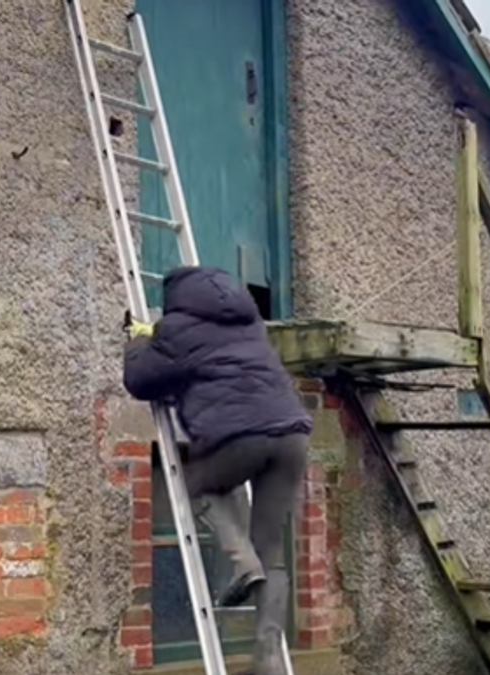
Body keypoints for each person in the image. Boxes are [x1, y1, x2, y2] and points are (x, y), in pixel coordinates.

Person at [122, 266, 311, 675]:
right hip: (292, 437)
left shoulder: (175, 328)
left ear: (177, 298)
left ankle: (240, 561)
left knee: (195, 484)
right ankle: (269, 660)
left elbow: (139, 380)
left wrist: (139, 339)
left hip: (241, 435)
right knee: (271, 548)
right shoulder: (250, 323)